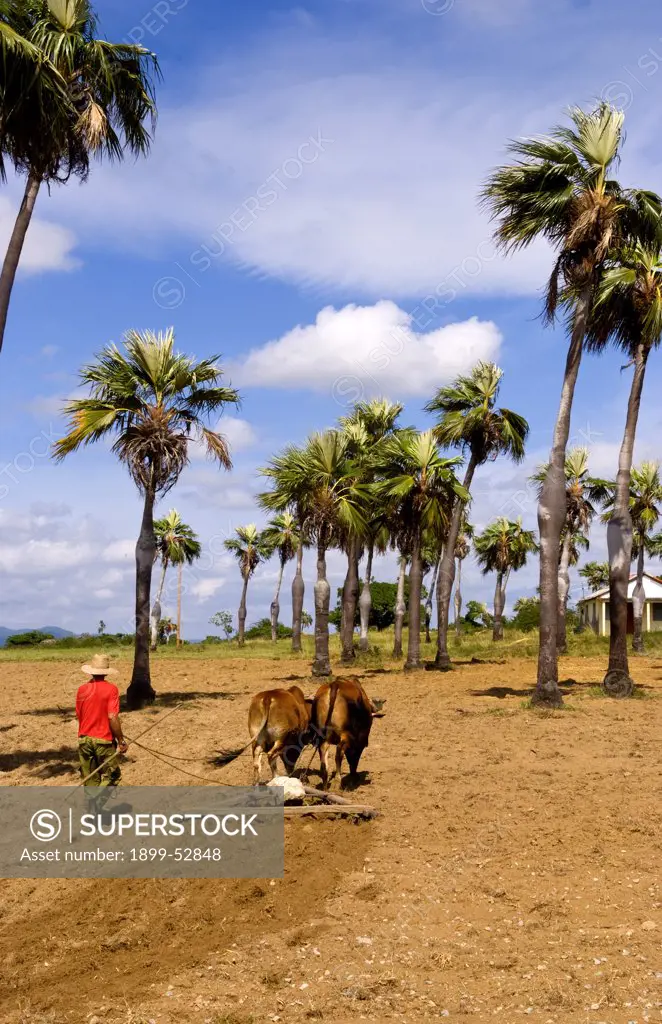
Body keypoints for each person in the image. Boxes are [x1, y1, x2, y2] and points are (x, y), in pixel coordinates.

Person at [76, 654, 128, 788]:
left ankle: (92, 807)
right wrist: (121, 740)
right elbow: (112, 717)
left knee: (90, 778)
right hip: (103, 740)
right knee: (113, 775)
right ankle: (97, 801)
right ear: (106, 672)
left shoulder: (82, 689)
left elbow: (79, 715)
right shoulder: (111, 689)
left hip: (84, 740)